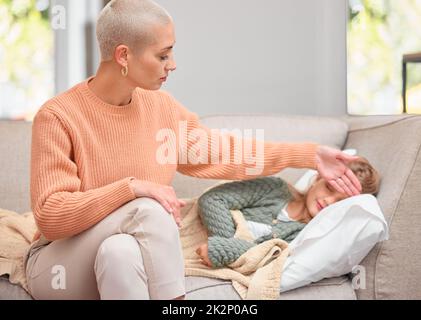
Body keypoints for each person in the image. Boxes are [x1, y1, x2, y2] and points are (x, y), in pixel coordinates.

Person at [24, 0, 362, 300]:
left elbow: (227, 152)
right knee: (147, 207)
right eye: (163, 54)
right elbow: (51, 216)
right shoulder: (58, 117)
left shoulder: (162, 110)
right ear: (124, 55)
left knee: (120, 253)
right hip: (59, 261)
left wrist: (310, 155)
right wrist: (131, 189)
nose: (173, 64)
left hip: (114, 256)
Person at [196, 157, 380, 268]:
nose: (329, 200)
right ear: (318, 178)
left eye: (340, 202)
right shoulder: (274, 188)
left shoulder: (308, 235)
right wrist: (223, 245)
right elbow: (213, 199)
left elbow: (275, 258)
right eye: (329, 188)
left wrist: (223, 250)